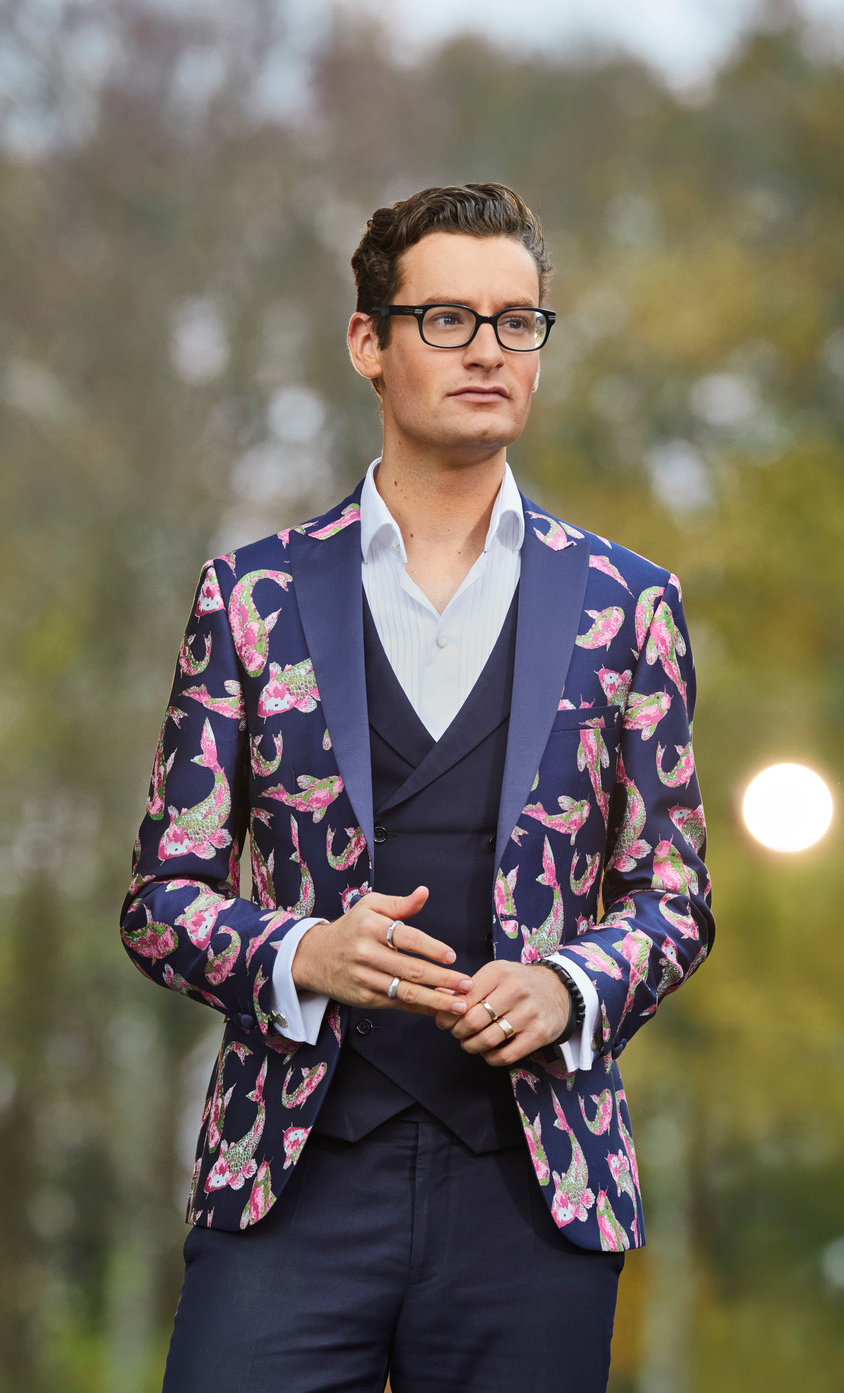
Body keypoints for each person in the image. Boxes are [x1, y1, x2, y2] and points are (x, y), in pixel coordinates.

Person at [121, 182, 713, 1393]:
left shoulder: (627, 605)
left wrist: (566, 984)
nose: (488, 349)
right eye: (447, 319)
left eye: (517, 321)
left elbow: (675, 898)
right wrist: (301, 952)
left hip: (534, 1185)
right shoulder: (252, 597)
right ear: (368, 342)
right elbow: (161, 895)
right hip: (292, 1173)